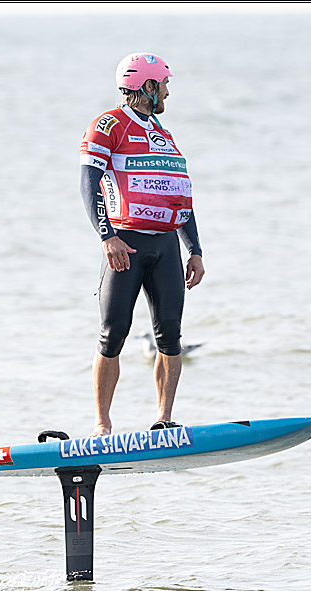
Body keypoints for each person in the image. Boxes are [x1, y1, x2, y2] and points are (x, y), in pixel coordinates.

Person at [79, 53, 205, 437]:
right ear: (147, 86)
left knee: (170, 335)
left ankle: (163, 419)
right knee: (112, 333)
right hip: (126, 244)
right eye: (164, 83)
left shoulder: (164, 135)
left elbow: (179, 196)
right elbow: (87, 184)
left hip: (166, 245)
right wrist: (107, 237)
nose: (168, 90)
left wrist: (194, 249)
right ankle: (102, 424)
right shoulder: (108, 125)